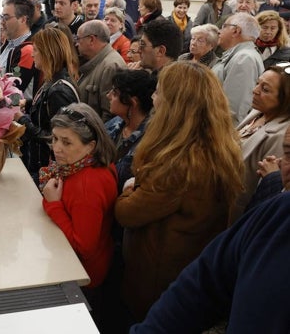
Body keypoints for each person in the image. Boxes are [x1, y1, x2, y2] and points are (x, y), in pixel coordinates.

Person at [115, 61, 243, 322]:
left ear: (175, 105)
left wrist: (131, 186)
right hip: (188, 269)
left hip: (157, 280)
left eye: (158, 92)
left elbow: (126, 213)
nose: (153, 98)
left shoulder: (178, 163)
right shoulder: (218, 146)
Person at [130, 192, 290, 333]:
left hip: (157, 269)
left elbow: (130, 212)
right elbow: (200, 285)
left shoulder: (178, 171)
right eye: (288, 157)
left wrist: (125, 195)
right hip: (171, 267)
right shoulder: (278, 216)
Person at [39, 103, 117, 313]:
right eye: (55, 138)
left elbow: (85, 247)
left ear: (90, 146)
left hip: (83, 278)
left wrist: (54, 205)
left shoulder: (87, 186)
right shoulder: (83, 164)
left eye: (67, 142)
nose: (57, 148)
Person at [15, 23, 80, 183]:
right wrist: (28, 104)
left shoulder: (59, 91)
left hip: (46, 169)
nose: (32, 55)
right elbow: (47, 111)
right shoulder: (53, 80)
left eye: (36, 50)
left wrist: (22, 119)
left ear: (48, 53)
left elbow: (53, 138)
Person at [234, 64, 290, 221]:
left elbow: (262, 189)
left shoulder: (280, 135)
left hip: (236, 211)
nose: (255, 90)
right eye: (258, 83)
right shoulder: (257, 112)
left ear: (285, 99)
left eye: (265, 90)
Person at [104, 69, 156, 190]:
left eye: (115, 93)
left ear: (133, 102)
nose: (108, 96)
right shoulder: (114, 124)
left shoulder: (149, 142)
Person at [212, 13, 264, 125]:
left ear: (236, 31)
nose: (219, 31)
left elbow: (234, 110)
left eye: (224, 26)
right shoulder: (240, 55)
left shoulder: (244, 59)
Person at [76, 20, 127, 122]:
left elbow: (109, 115)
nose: (77, 44)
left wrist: (100, 138)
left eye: (78, 39)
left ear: (91, 39)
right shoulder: (98, 62)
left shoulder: (111, 66)